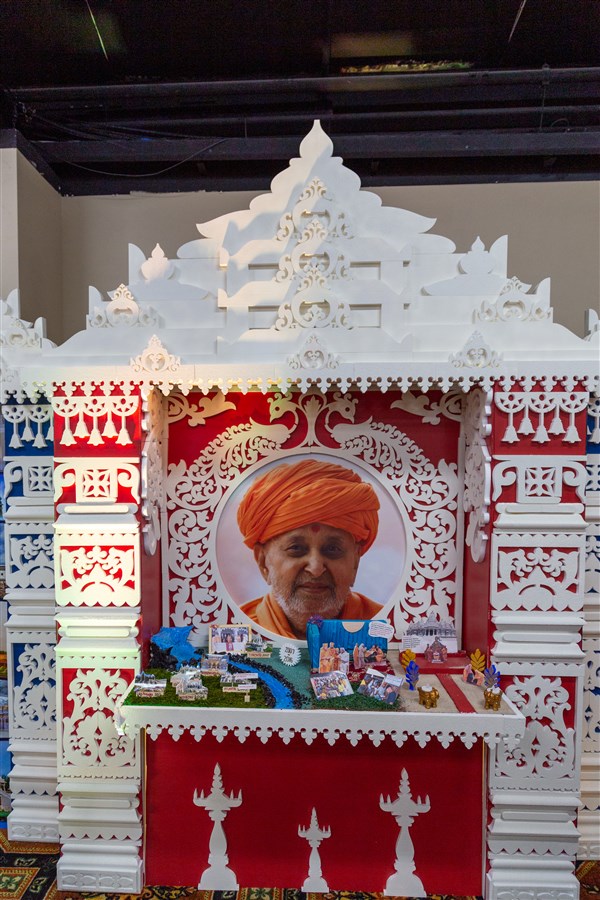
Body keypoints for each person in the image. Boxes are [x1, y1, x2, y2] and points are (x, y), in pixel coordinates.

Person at [236, 459, 383, 638]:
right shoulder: (236, 632)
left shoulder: (384, 628)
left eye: (333, 549)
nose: (315, 568)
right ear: (263, 562)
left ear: (355, 562)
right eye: (296, 548)